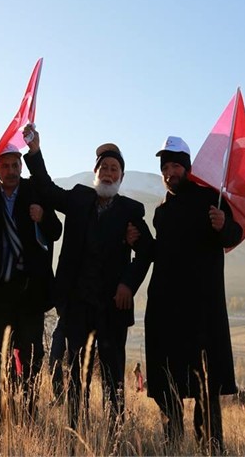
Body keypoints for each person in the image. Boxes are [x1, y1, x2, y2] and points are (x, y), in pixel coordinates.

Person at [23, 127, 154, 432]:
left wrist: (127, 285)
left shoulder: (131, 212)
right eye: (104, 168)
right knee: (75, 373)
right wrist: (34, 151)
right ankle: (75, 430)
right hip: (77, 304)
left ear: (120, 177)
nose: (108, 174)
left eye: (114, 169)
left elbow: (148, 252)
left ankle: (114, 434)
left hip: (112, 308)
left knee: (112, 378)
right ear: (96, 172)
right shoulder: (79, 199)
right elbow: (46, 187)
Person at [138, 136, 242, 454]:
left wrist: (224, 224)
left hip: (202, 308)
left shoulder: (210, 197)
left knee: (205, 385)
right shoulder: (161, 212)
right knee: (167, 379)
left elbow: (234, 232)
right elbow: (162, 253)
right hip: (166, 308)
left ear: (187, 168)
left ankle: (210, 447)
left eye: (176, 166)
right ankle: (173, 444)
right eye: (165, 167)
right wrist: (139, 241)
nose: (170, 172)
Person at [0, 142, 62, 421]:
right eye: (6, 165)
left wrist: (42, 217)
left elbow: (55, 231)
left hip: (30, 290)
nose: (12, 170)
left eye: (16, 165)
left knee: (31, 351)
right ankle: (0, 405)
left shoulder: (34, 192)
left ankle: (28, 405)